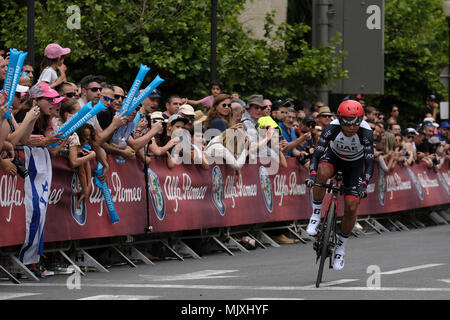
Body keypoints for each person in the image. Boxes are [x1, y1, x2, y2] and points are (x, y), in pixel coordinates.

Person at [305, 100, 374, 271]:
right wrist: (313, 175)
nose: (351, 127)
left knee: (351, 206)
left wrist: (363, 184)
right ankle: (315, 215)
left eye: (355, 122)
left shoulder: (366, 132)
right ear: (339, 119)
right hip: (334, 158)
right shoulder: (331, 128)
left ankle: (341, 248)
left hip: (354, 166)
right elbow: (317, 153)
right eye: (347, 123)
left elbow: (370, 162)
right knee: (321, 173)